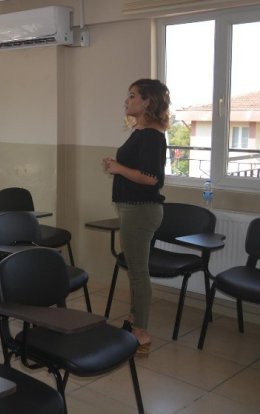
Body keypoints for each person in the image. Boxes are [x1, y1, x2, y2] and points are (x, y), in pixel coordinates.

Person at [103, 78, 170, 356]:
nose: (127, 101)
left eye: (132, 96)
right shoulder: (140, 131)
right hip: (133, 208)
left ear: (147, 102)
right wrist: (117, 167)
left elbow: (151, 179)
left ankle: (141, 333)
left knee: (139, 273)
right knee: (134, 269)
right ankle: (133, 319)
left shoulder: (152, 136)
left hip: (141, 210)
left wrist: (118, 168)